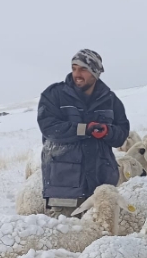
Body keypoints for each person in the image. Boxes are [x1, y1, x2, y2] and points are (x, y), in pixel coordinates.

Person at [38, 49, 130, 216]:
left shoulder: (110, 100)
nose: (77, 74)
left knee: (101, 238)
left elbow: (122, 133)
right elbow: (49, 127)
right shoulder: (54, 95)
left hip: (101, 187)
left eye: (83, 69)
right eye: (74, 68)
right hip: (65, 189)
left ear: (95, 72)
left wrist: (107, 132)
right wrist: (84, 129)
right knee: (66, 238)